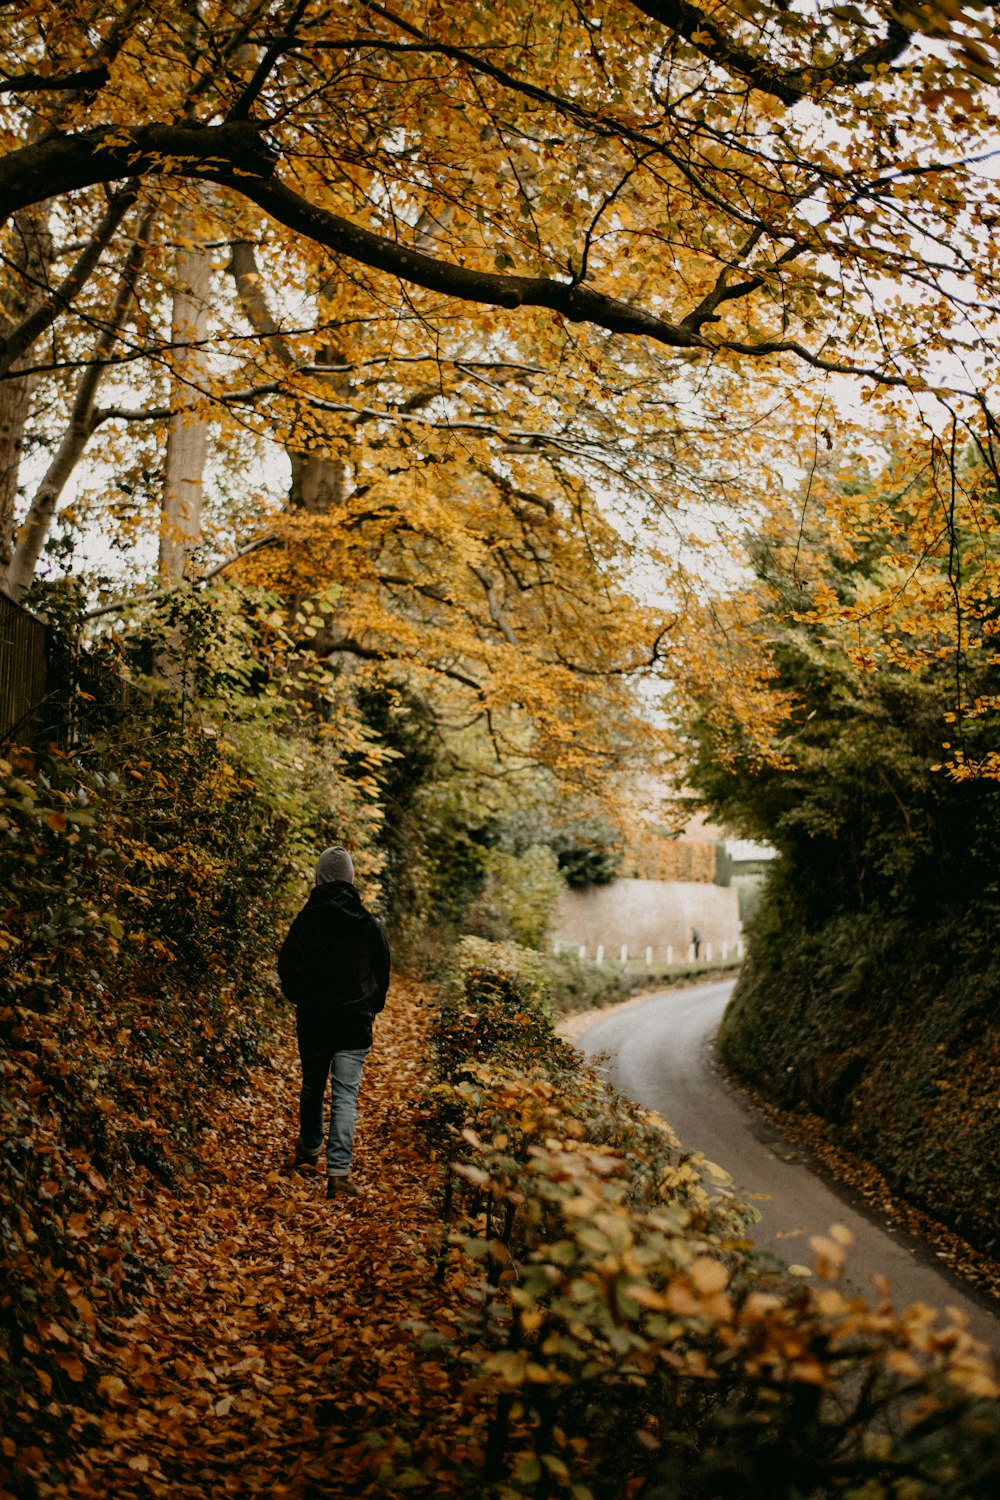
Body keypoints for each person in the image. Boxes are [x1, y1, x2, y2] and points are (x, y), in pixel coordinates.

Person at [277, 846, 390, 1199]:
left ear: (319, 876)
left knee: (313, 1086)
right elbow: (382, 970)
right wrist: (371, 1005)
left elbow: (287, 967)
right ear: (351, 879)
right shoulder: (366, 922)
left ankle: (309, 1150)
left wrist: (302, 999)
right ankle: (338, 1174)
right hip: (354, 1022)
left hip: (314, 1020)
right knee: (345, 1096)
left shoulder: (306, 919)